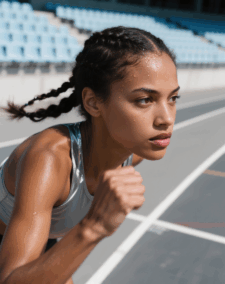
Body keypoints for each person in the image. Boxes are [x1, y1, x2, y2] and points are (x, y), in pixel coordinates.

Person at [0, 26, 180, 284]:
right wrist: (94, 226)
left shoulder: (132, 152)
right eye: (144, 100)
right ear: (94, 103)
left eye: (173, 97)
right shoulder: (49, 159)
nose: (167, 119)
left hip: (39, 238)